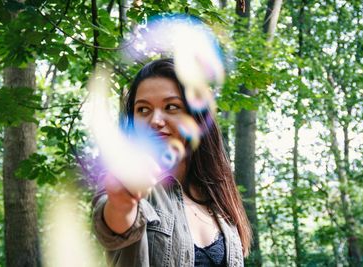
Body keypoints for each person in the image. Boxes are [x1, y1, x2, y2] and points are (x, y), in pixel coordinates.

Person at [92, 58, 252, 267]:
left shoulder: (217, 196)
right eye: (143, 110)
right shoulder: (128, 184)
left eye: (171, 106)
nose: (156, 120)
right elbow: (112, 223)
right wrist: (122, 201)